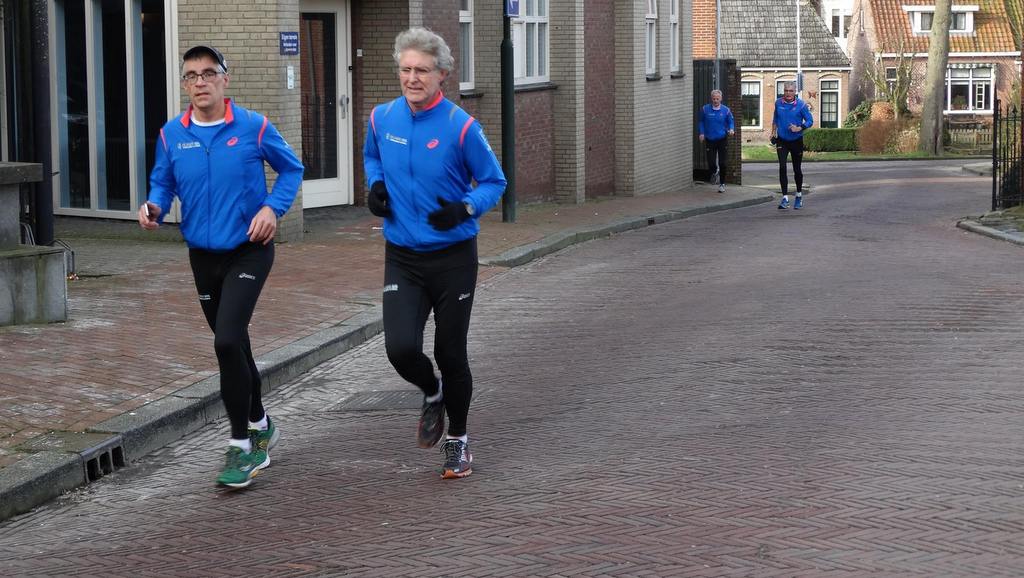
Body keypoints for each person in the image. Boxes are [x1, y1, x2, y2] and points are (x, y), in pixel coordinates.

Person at [138, 45, 304, 489]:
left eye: (208, 73)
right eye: (191, 75)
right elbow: (162, 182)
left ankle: (241, 446)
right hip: (202, 255)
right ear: (185, 84)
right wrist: (154, 206)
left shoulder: (253, 126)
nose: (200, 82)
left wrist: (272, 209)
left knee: (227, 340)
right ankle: (261, 422)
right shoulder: (172, 134)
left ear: (225, 80)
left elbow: (291, 170)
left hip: (249, 248)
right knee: (235, 346)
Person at [363, 28, 506, 479]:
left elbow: (494, 182)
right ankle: (432, 392)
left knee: (450, 351)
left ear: (442, 74)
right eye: (405, 69)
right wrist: (375, 186)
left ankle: (458, 440)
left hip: (453, 257)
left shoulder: (461, 127)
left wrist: (466, 207)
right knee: (400, 348)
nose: (412, 78)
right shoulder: (381, 118)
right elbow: (372, 157)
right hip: (402, 255)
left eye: (422, 71)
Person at [771, 82, 813, 210]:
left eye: (790, 91)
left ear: (795, 92)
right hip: (782, 140)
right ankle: (785, 198)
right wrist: (773, 132)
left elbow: (810, 121)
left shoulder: (801, 105)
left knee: (797, 169)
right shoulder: (778, 103)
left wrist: (799, 127)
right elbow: (775, 118)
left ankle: (799, 195)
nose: (788, 93)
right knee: (782, 167)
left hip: (796, 140)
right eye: (786, 90)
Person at [698, 89, 735, 193]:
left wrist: (731, 129)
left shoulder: (726, 110)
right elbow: (701, 121)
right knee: (711, 162)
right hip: (710, 139)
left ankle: (722, 184)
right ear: (711, 99)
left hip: (722, 139)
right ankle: (714, 172)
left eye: (717, 99)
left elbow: (731, 122)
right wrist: (701, 133)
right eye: (714, 99)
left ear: (721, 99)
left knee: (722, 163)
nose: (715, 101)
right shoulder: (705, 109)